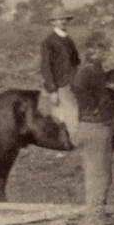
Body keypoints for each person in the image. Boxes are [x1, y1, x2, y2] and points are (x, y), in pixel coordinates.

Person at [71, 32, 114, 225]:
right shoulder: (88, 71)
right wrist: (95, 108)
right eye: (102, 49)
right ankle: (94, 219)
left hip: (93, 125)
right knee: (98, 174)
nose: (105, 53)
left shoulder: (94, 69)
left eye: (106, 49)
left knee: (99, 172)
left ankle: (95, 214)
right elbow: (79, 90)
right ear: (91, 50)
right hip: (95, 126)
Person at [39, 14, 81, 145]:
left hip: (73, 82)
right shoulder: (48, 41)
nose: (63, 21)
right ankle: (77, 142)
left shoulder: (68, 40)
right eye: (59, 19)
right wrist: (52, 90)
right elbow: (46, 66)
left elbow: (76, 61)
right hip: (60, 84)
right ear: (53, 22)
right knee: (73, 112)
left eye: (65, 19)